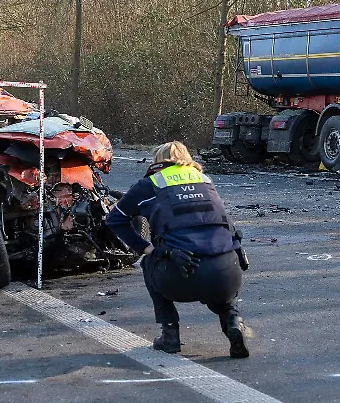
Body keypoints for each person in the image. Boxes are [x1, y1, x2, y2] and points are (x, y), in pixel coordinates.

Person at [105, 142, 250, 358]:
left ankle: (169, 334)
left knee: (148, 261)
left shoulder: (150, 184)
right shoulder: (205, 181)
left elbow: (114, 219)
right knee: (219, 260)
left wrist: (144, 247)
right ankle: (233, 321)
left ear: (157, 162)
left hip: (180, 275)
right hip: (228, 275)